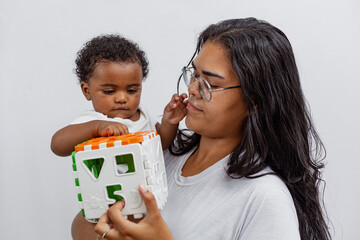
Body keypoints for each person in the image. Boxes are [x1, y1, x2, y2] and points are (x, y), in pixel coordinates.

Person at [71, 18, 331, 240]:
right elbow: (82, 222)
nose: (193, 89)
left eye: (211, 84)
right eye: (194, 75)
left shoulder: (264, 197)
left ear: (255, 101)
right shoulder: (160, 151)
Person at [51, 34, 187, 157]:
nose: (122, 99)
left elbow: (161, 143)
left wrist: (169, 122)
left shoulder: (143, 115)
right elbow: (57, 145)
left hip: (149, 184)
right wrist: (97, 128)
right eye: (110, 91)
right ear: (87, 91)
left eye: (132, 91)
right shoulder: (94, 120)